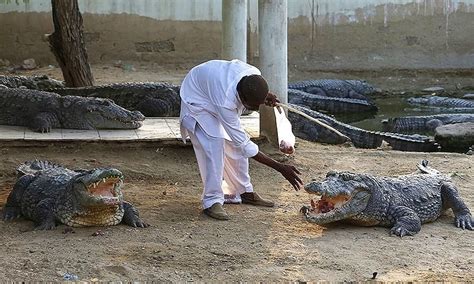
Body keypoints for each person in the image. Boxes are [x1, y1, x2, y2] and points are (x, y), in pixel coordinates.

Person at [179, 59, 303, 220]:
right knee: (214, 143)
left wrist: (265, 96)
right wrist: (280, 167)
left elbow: (240, 141)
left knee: (234, 144)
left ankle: (244, 191)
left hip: (212, 86)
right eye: (253, 105)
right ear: (241, 98)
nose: (258, 108)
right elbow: (244, 145)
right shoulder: (225, 101)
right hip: (197, 98)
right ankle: (212, 200)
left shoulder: (253, 74)